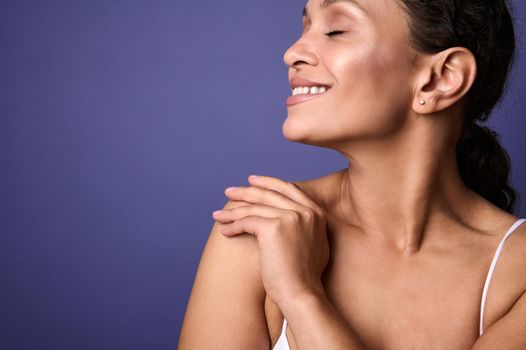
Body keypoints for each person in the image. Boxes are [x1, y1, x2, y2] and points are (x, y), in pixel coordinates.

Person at [178, 0, 526, 348]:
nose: (292, 53)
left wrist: (301, 296)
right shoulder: (260, 229)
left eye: (336, 30)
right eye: (304, 28)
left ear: (441, 78)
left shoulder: (516, 273)